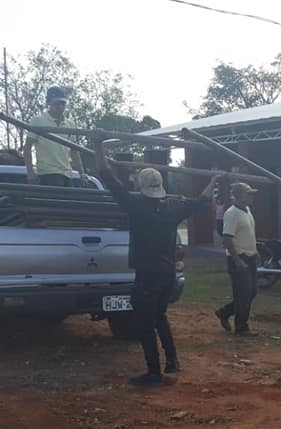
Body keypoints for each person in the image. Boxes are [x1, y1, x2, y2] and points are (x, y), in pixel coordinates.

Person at [98, 156, 216, 386]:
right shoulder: (171, 209)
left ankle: (153, 373)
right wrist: (214, 179)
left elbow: (108, 177)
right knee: (159, 316)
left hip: (147, 276)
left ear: (141, 186)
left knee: (145, 323)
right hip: (167, 274)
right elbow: (200, 200)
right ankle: (172, 360)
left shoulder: (136, 207)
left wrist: (98, 147)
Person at [215, 183, 260, 336]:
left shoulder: (247, 210)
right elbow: (227, 239)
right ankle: (241, 327)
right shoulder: (232, 213)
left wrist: (255, 252)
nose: (252, 196)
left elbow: (249, 234)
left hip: (250, 256)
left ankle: (225, 312)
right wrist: (237, 260)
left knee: (251, 292)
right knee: (243, 293)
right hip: (239, 257)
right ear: (239, 195)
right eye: (249, 194)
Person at [24, 87, 88, 187]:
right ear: (48, 103)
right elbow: (27, 147)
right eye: (57, 103)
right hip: (47, 172)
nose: (60, 107)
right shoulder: (38, 120)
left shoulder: (70, 124)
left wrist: (82, 173)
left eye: (63, 103)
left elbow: (74, 151)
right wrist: (30, 172)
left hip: (67, 173)